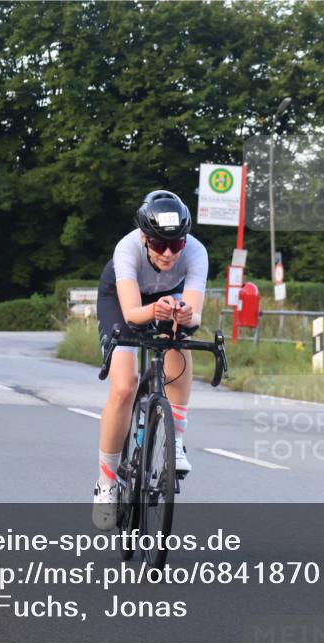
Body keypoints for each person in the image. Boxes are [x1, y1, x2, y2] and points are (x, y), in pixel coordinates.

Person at [92, 190, 208, 531]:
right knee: (125, 386)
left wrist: (185, 315)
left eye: (177, 244)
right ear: (145, 239)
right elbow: (130, 313)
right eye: (159, 245)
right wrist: (153, 311)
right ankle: (107, 483)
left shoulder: (197, 252)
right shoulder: (127, 249)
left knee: (180, 340)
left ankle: (175, 442)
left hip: (166, 296)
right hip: (123, 299)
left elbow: (196, 312)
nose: (170, 253)